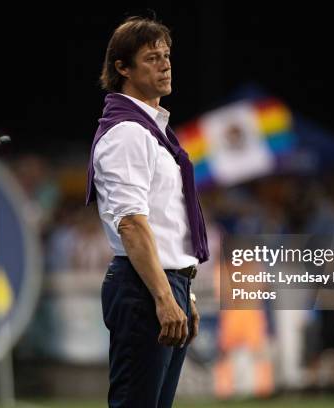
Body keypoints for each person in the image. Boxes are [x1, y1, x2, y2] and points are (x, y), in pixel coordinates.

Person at [85, 16, 210, 408]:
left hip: (163, 282)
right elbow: (132, 224)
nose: (165, 64)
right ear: (122, 68)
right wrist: (163, 295)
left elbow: (162, 220)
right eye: (151, 58)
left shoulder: (150, 130)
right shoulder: (128, 132)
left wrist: (182, 290)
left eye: (167, 56)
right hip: (144, 286)